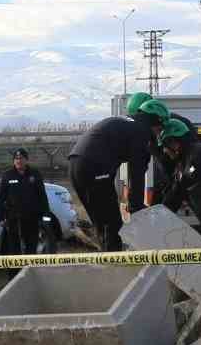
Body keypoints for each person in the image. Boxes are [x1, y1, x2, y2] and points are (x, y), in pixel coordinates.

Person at [67, 103, 161, 251]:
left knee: (103, 224)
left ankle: (105, 256)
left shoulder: (126, 123)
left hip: (75, 165)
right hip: (94, 166)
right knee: (112, 225)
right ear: (154, 122)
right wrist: (137, 206)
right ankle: (114, 266)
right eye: (159, 129)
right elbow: (137, 171)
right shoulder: (141, 132)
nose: (159, 134)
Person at [0, 148, 56, 254]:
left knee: (31, 246)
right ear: (14, 161)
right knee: (14, 248)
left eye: (21, 158)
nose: (19, 161)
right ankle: (16, 270)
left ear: (26, 160)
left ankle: (29, 268)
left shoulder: (35, 174)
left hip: (31, 217)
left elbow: (42, 196)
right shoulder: (7, 175)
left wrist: (45, 215)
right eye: (16, 158)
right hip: (13, 218)